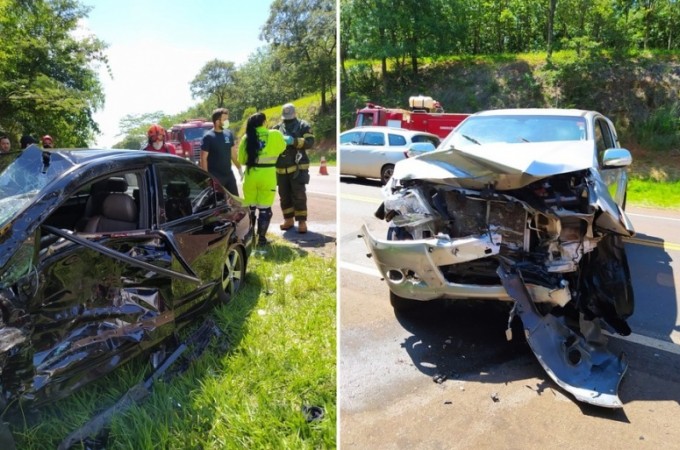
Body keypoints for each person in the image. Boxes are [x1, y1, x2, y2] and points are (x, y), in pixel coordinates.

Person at [238, 112, 288, 246]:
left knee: (251, 208)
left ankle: (250, 238)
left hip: (251, 175)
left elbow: (241, 159)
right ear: (264, 122)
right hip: (268, 175)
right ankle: (261, 239)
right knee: (265, 209)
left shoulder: (246, 138)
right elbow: (283, 147)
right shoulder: (275, 134)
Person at [273, 103, 315, 233]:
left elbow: (310, 143)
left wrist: (294, 141)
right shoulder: (277, 128)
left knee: (299, 195)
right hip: (281, 168)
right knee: (284, 196)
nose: (288, 118)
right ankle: (288, 220)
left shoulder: (303, 126)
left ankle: (302, 221)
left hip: (298, 168)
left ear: (295, 113)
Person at [200, 107, 242, 197]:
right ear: (217, 121)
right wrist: (206, 177)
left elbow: (233, 154)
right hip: (216, 177)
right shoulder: (208, 137)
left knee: (235, 201)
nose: (227, 122)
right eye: (225, 119)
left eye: (227, 119)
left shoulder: (228, 134)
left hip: (229, 175)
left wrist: (239, 168)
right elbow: (203, 158)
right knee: (218, 202)